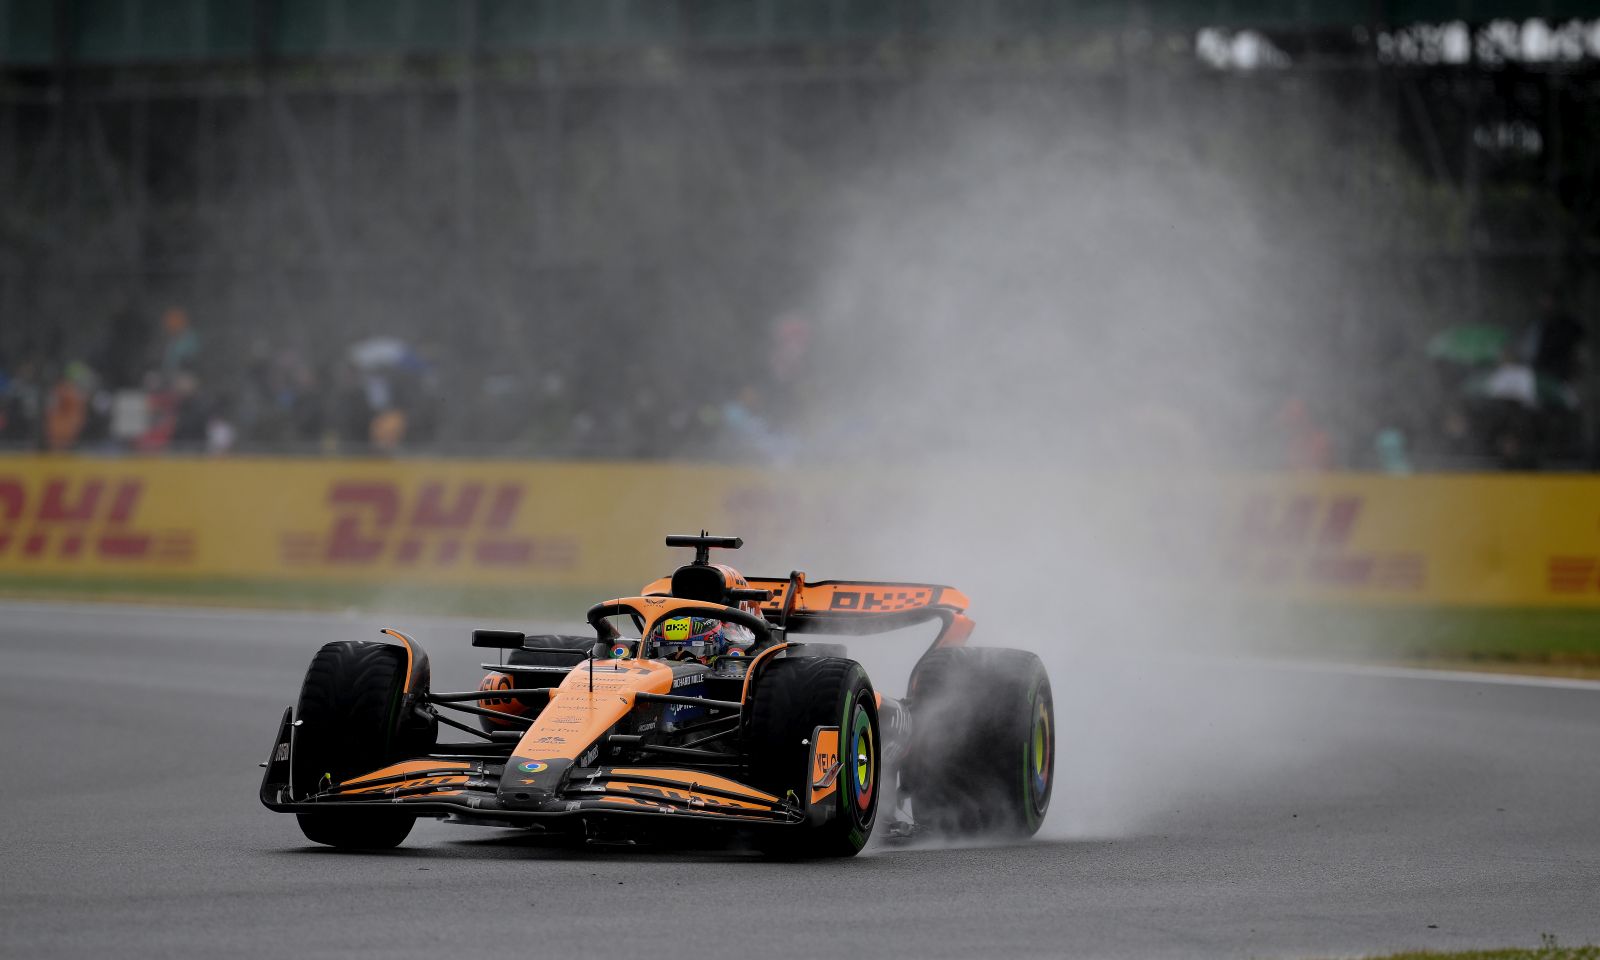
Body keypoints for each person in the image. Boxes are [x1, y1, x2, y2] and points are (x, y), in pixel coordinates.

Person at [646, 616, 754, 665]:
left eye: (693, 650)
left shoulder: (737, 654)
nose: (680, 661)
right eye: (668, 650)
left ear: (715, 647)